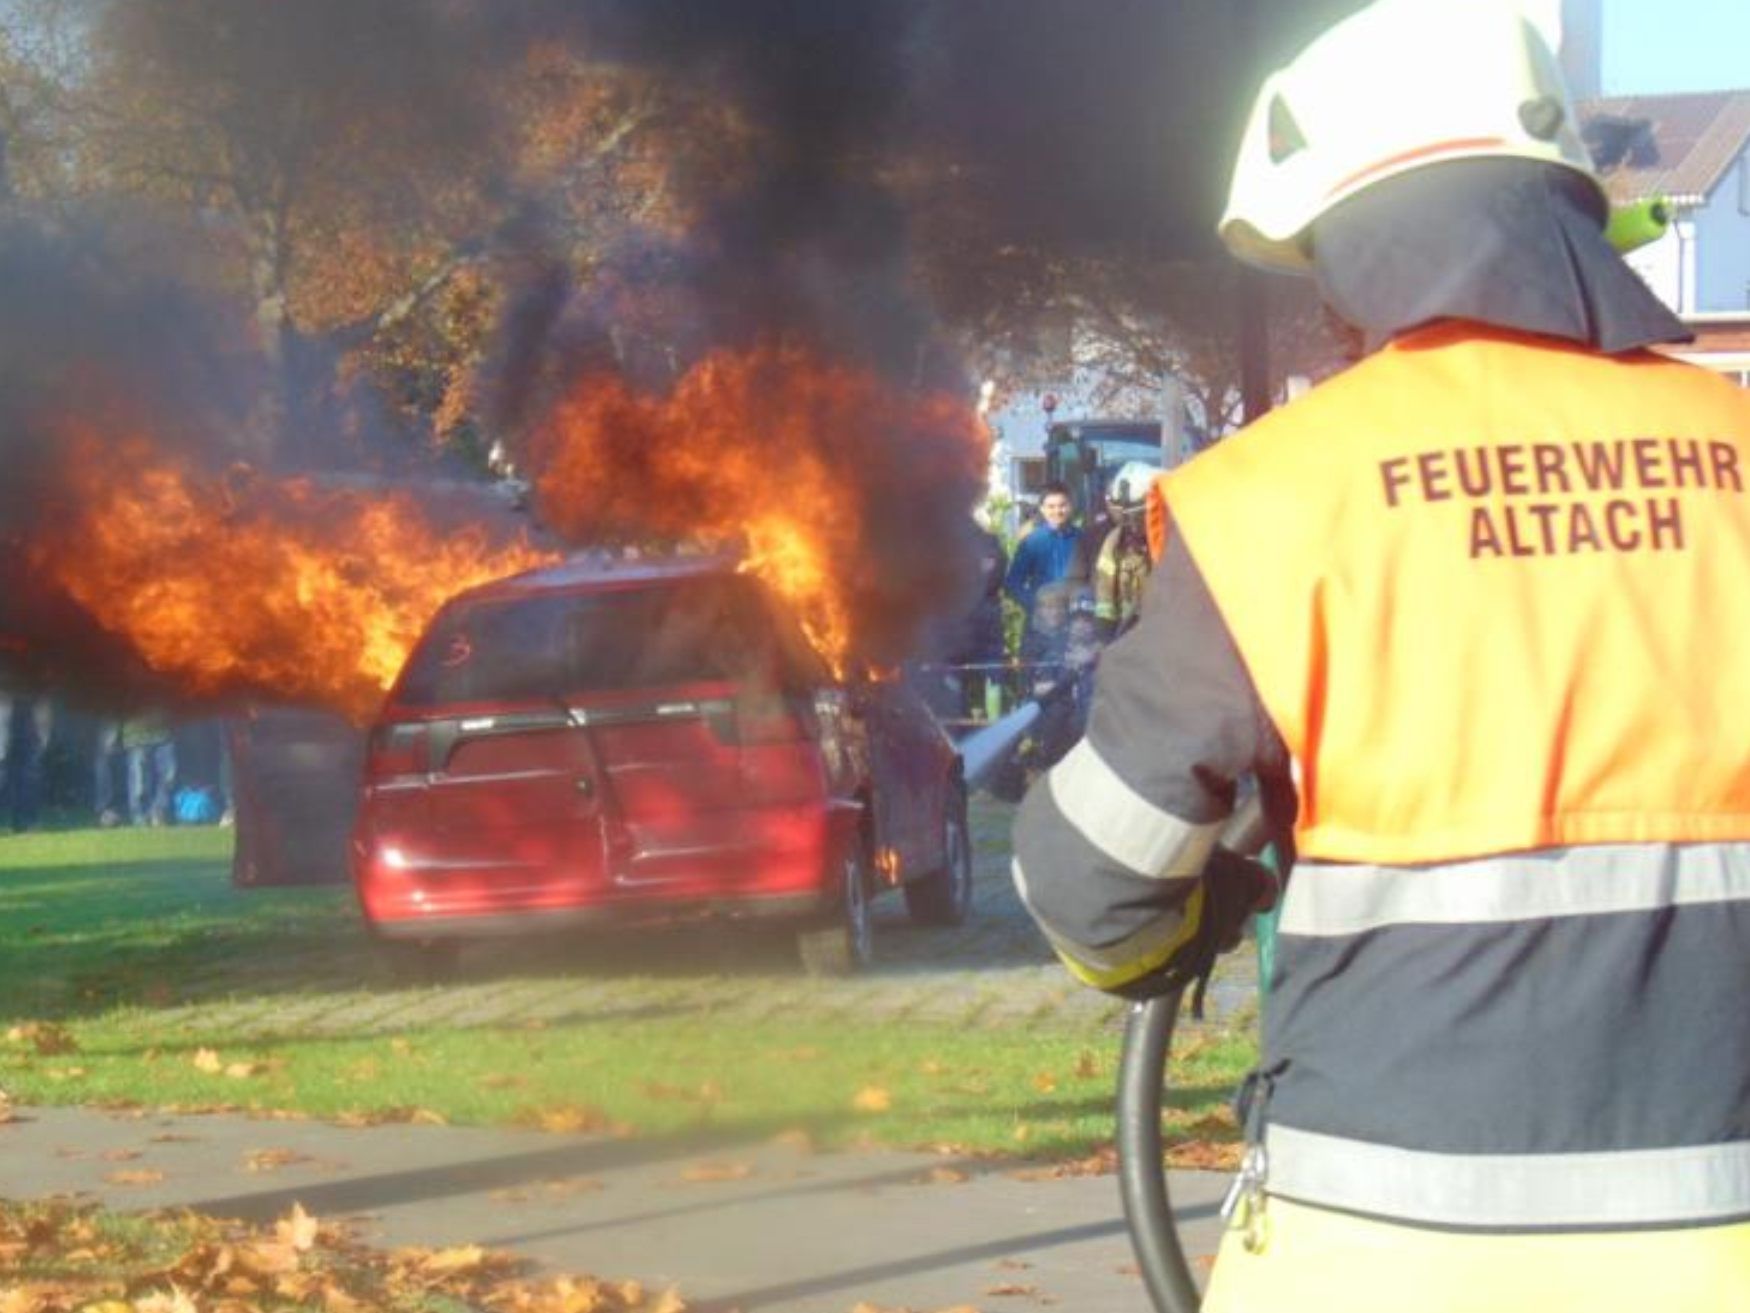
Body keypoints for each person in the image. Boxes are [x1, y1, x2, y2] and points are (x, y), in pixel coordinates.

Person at [1012, 1, 1750, 1309]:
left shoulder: (1274, 496)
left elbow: (1092, 881)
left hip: (1381, 1249)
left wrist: (1201, 913)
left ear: (1354, 245)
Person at [1091, 464, 1156, 638]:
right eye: (1122, 514)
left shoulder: (1177, 540)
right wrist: (1104, 638)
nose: (1129, 523)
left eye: (1137, 514)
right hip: (1129, 634)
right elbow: (1105, 600)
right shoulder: (1114, 542)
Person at [1002, 483, 1080, 618]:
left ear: (1071, 506)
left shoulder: (1083, 539)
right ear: (1042, 509)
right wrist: (1035, 605)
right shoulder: (1032, 542)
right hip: (1040, 621)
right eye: (1051, 507)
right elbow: (1013, 583)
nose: (1057, 511)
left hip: (1073, 617)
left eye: (1062, 505)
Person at [121, 711, 176, 827]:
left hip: (164, 734)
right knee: (139, 783)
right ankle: (140, 816)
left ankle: (158, 812)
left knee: (168, 776)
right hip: (136, 737)